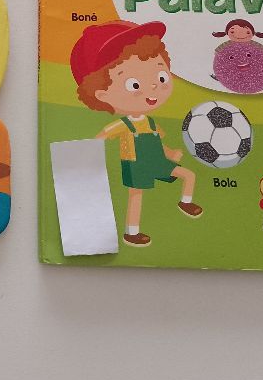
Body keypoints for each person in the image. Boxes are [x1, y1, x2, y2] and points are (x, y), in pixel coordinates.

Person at [71, 20, 202, 247]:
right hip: (136, 165)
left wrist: (170, 153)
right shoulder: (124, 124)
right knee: (136, 196)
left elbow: (157, 142)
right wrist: (84, 157)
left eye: (161, 77)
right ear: (102, 95)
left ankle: (186, 202)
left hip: (158, 161)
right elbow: (101, 137)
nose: (153, 87)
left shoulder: (150, 122)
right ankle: (132, 232)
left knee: (189, 175)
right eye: (134, 84)